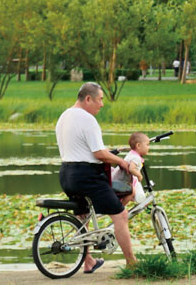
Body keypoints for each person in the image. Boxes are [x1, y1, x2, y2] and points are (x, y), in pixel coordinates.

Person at [56, 82, 137, 271]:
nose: (102, 104)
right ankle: (132, 263)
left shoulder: (64, 116)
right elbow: (99, 154)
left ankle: (88, 261)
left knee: (82, 216)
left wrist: (108, 152)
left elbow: (82, 149)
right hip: (88, 176)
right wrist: (122, 162)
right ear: (88, 99)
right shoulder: (88, 119)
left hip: (67, 175)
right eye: (100, 100)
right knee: (120, 215)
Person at [112, 132, 150, 206]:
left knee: (135, 190)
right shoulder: (136, 158)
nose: (149, 147)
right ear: (138, 146)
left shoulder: (131, 153)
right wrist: (139, 175)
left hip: (118, 179)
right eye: (147, 145)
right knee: (132, 192)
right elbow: (131, 169)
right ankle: (120, 208)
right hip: (121, 181)